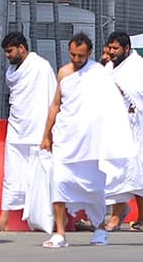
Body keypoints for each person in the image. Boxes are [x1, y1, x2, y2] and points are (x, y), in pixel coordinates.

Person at [38, 33, 132, 249]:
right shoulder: (63, 72)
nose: (76, 59)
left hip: (91, 143)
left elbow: (112, 105)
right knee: (59, 183)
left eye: (80, 55)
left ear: (89, 53)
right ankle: (60, 233)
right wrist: (46, 135)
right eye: (72, 54)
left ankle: (99, 229)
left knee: (94, 188)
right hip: (65, 140)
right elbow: (55, 105)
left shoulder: (99, 74)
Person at [101, 31, 143, 233]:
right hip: (116, 128)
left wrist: (123, 91)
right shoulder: (109, 67)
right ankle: (117, 215)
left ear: (126, 49)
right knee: (118, 171)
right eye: (110, 47)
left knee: (139, 173)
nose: (111, 51)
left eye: (116, 48)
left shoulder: (138, 67)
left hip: (139, 128)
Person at [0, 31, 55, 232]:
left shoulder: (41, 66)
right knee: (11, 174)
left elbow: (52, 99)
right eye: (5, 52)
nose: (7, 55)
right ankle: (3, 218)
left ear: (22, 48)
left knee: (40, 177)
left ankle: (45, 218)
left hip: (38, 129)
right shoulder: (11, 73)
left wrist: (49, 132)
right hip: (16, 127)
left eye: (10, 51)